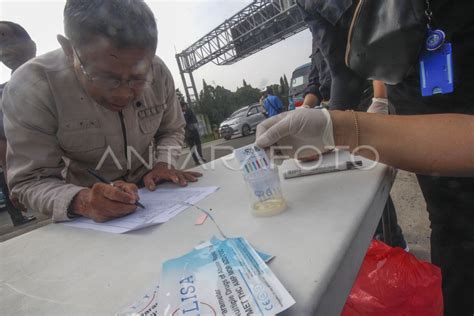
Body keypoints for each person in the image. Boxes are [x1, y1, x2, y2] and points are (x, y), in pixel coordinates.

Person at [2, 0, 201, 224]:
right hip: (88, 217)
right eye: (107, 78)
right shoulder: (32, 89)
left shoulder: (159, 72)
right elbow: (29, 181)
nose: (124, 95)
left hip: (156, 199)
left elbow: (172, 129)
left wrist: (163, 163)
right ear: (70, 51)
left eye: (138, 78)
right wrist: (82, 200)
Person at [0, 21, 37, 226]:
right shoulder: (4, 94)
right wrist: (13, 186)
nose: (5, 49)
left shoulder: (60, 76)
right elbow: (5, 153)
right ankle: (18, 217)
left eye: (6, 38)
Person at [181, 101, 206, 165]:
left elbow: (194, 119)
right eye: (184, 106)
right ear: (183, 106)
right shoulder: (184, 112)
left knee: (196, 145)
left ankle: (199, 158)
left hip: (189, 131)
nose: (185, 107)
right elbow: (193, 120)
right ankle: (197, 160)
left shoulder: (186, 111)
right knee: (194, 146)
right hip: (189, 132)